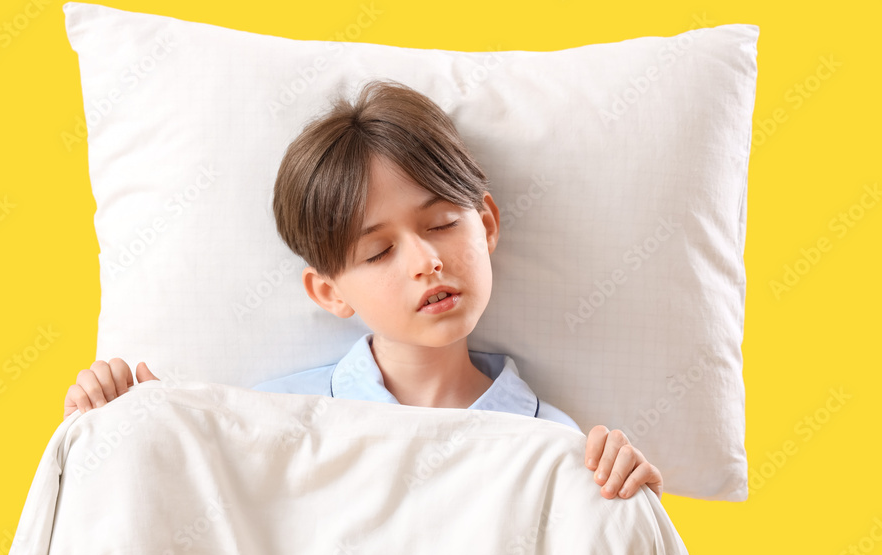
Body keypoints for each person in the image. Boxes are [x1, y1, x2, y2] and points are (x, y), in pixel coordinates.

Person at [62, 79, 663, 502]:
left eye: (442, 225)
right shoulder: (269, 419)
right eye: (378, 252)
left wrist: (629, 507)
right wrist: (119, 431)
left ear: (486, 224)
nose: (426, 261)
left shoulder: (559, 446)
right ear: (329, 293)